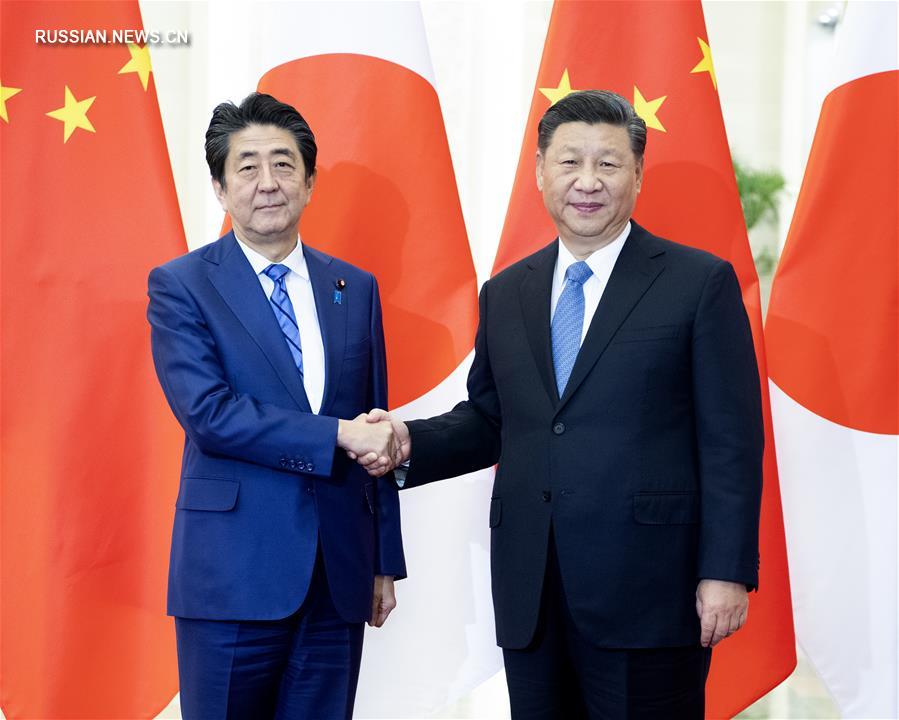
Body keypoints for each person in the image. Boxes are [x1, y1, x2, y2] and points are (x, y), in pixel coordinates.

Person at [362, 90, 763, 718]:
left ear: (638, 175)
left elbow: (731, 441)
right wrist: (410, 440)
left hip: (649, 593)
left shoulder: (697, 282)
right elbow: (492, 420)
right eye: (570, 161)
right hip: (533, 591)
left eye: (609, 163)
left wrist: (726, 570)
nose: (588, 181)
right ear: (541, 172)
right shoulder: (506, 292)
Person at [147, 92, 405, 720]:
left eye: (284, 165)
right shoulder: (181, 285)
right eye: (248, 167)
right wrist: (336, 435)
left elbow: (375, 425)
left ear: (310, 182)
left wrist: (383, 561)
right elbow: (209, 414)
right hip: (231, 576)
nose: (268, 182)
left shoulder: (354, 287)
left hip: (337, 578)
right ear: (220, 187)